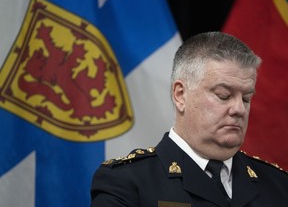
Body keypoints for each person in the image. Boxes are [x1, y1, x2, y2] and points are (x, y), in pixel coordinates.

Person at [90, 32, 288, 207]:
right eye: (223, 95)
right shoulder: (127, 183)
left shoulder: (278, 185)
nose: (239, 109)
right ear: (180, 95)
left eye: (246, 98)